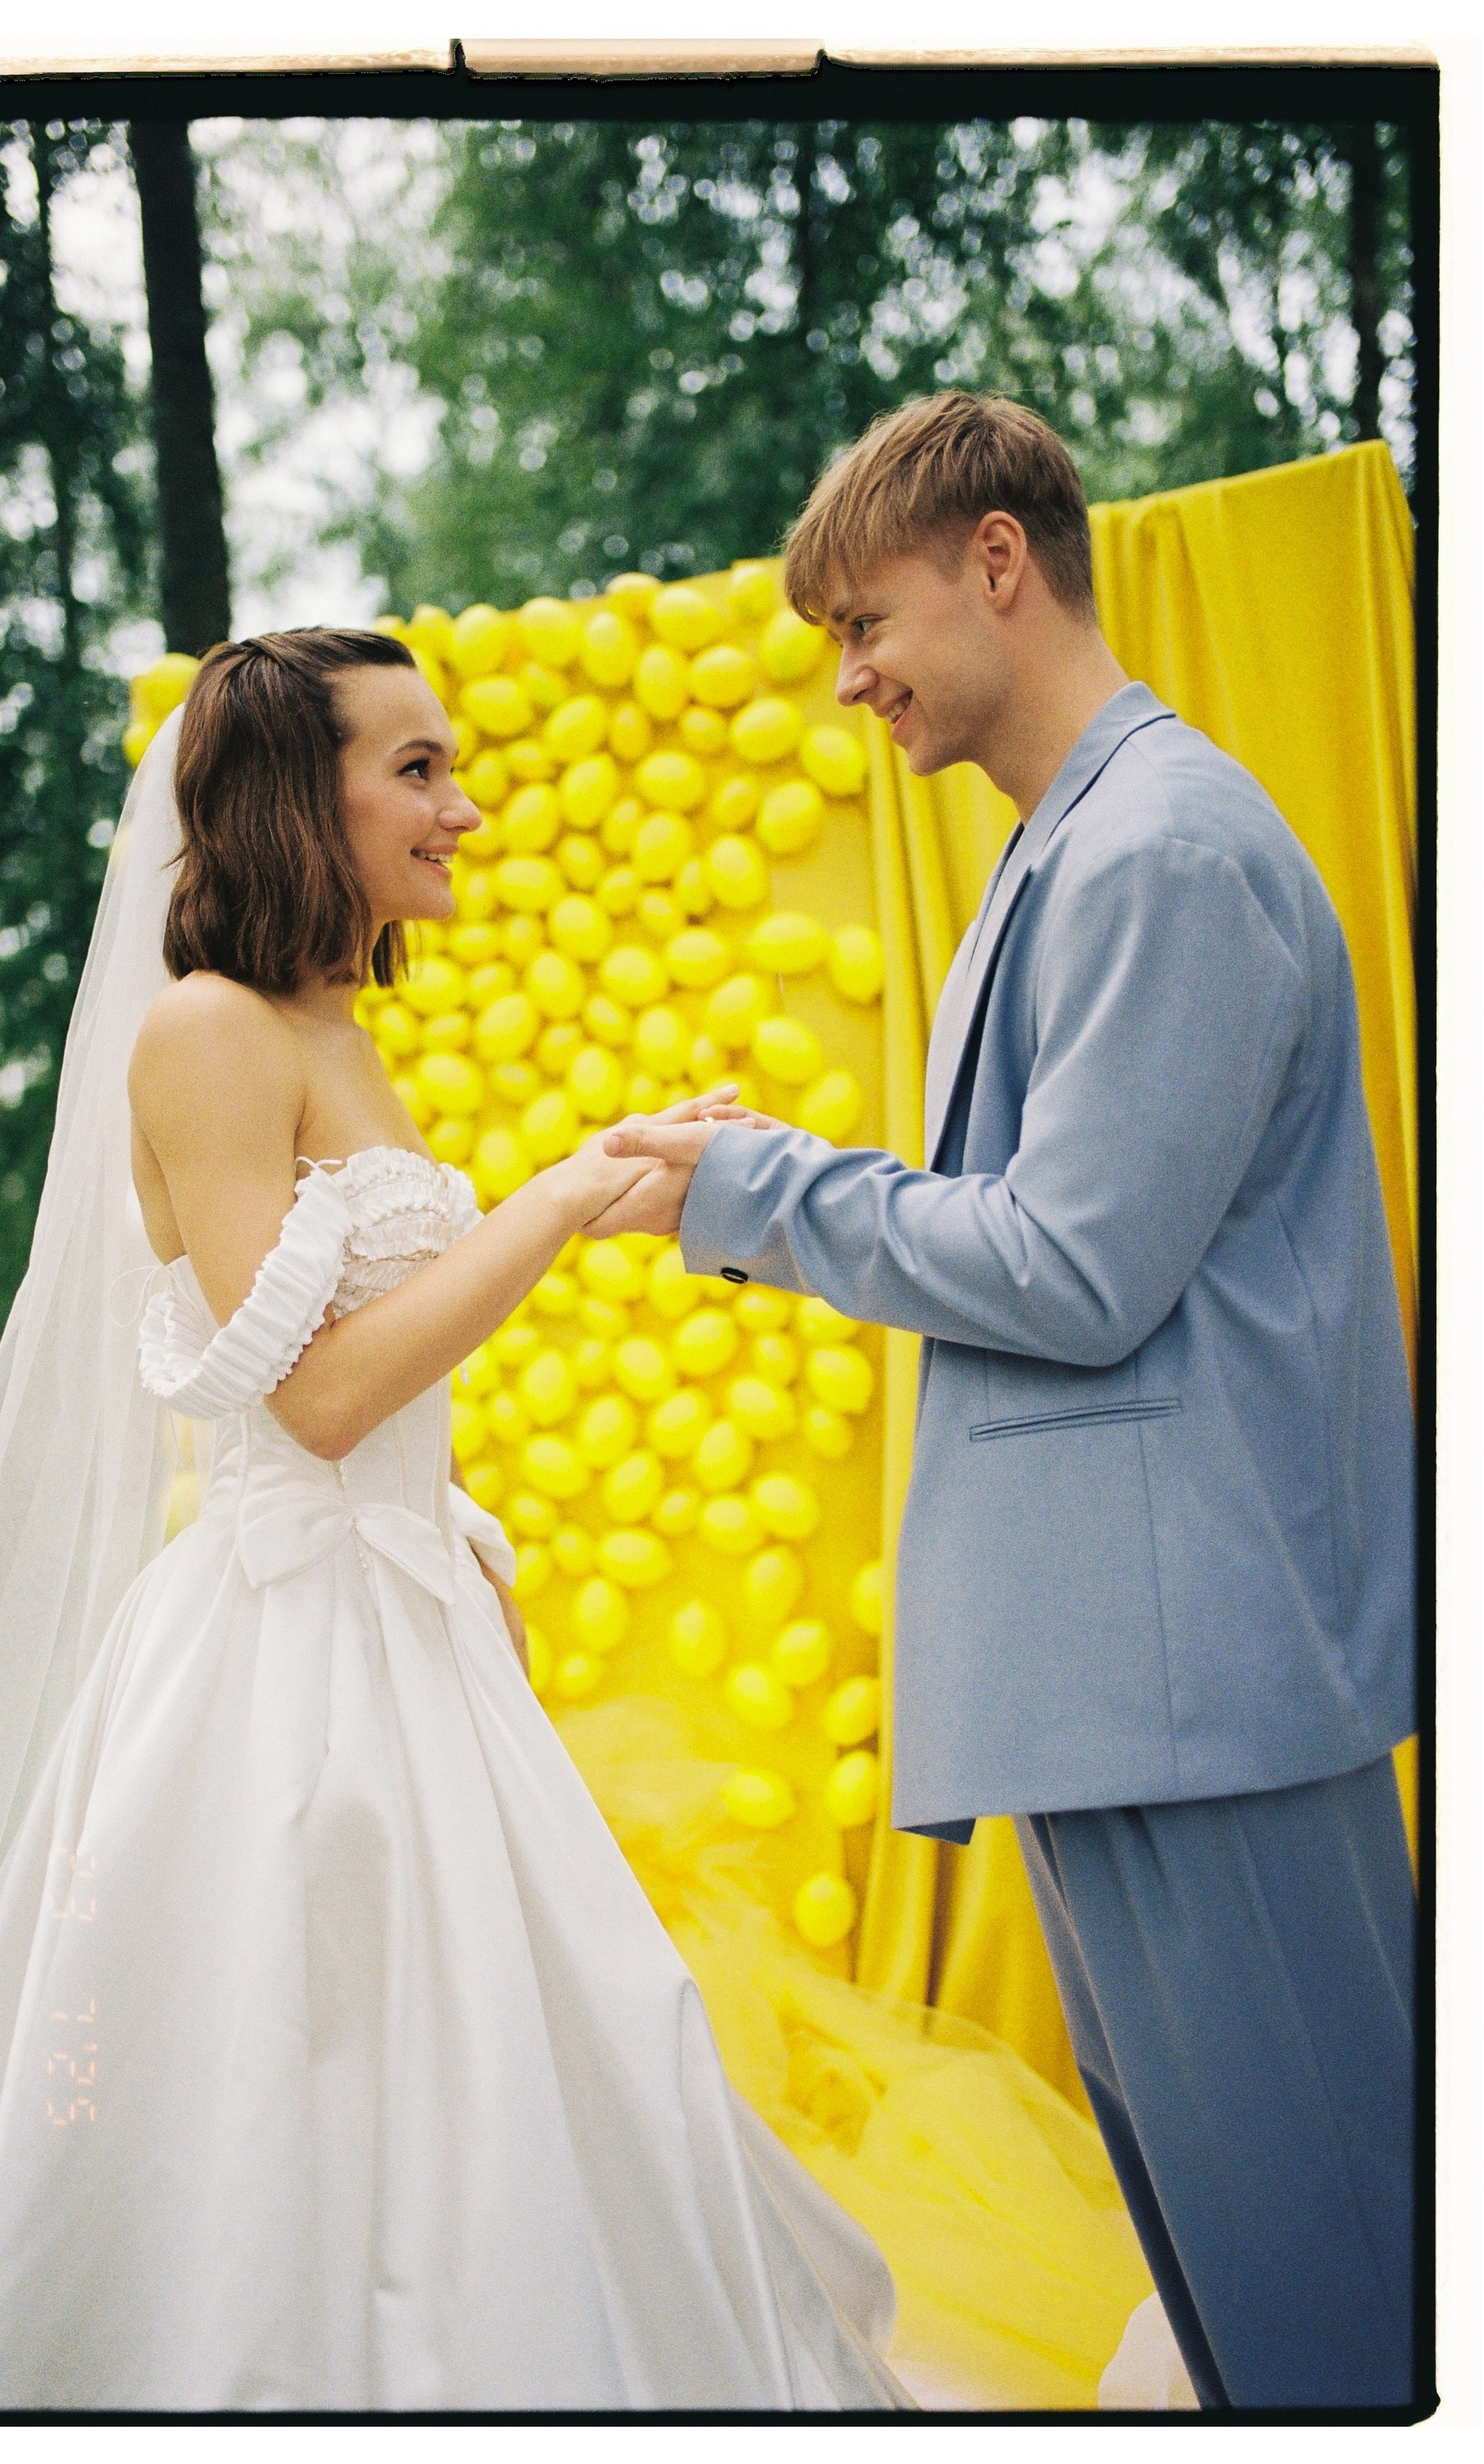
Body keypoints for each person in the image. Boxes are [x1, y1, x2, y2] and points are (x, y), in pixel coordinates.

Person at [0, 628, 914, 2412]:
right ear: (301, 797)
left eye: (451, 765)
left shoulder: (333, 1027)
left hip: (408, 1612)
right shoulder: (205, 1034)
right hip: (278, 1653)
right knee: (276, 2076)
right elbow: (315, 1394)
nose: (465, 805)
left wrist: (586, 1222)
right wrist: (567, 1189)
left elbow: (386, 1378)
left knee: (517, 2064)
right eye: (416, 769)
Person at [597, 393, 1417, 2411]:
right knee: (1241, 2271)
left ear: (992, 560)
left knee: (1326, 2281)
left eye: (864, 623)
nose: (851, 677)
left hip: (1191, 1678)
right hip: (1130, 1672)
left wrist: (751, 1187)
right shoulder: (1078, 846)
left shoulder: (1153, 847)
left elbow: (1070, 1265)